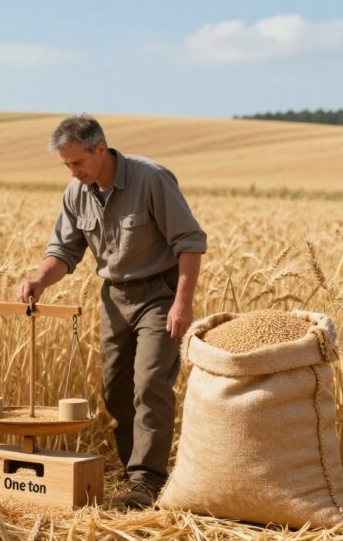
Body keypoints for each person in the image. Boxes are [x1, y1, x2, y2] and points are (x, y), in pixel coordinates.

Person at [17, 114, 207, 509]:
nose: (73, 172)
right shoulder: (77, 192)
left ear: (100, 148)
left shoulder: (151, 179)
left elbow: (190, 242)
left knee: (150, 383)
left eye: (78, 163)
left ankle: (146, 480)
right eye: (66, 165)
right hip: (114, 297)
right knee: (115, 390)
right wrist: (39, 281)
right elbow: (64, 251)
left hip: (159, 292)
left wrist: (182, 303)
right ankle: (133, 473)